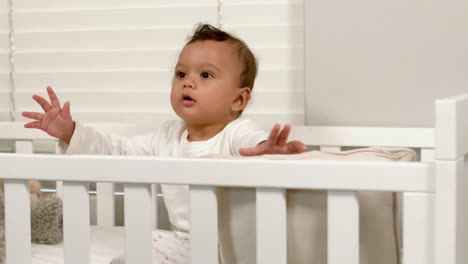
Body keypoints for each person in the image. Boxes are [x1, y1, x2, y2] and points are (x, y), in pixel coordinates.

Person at [22, 23, 306, 263]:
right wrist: (70, 132)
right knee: (144, 241)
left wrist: (267, 151)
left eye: (205, 75)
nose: (188, 82)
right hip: (186, 245)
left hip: (235, 250)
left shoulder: (236, 133)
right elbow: (117, 151)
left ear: (239, 99)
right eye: (181, 74)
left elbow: (252, 144)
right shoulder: (167, 136)